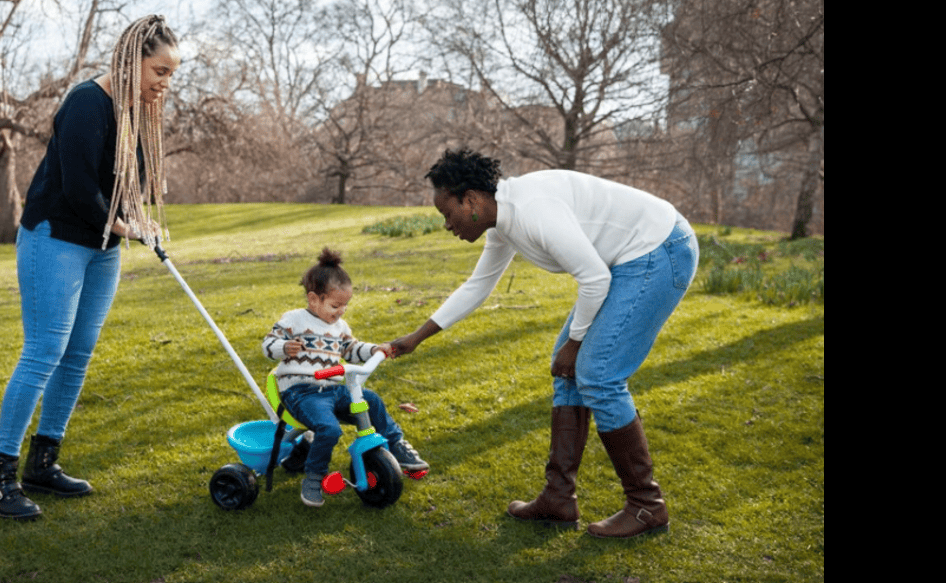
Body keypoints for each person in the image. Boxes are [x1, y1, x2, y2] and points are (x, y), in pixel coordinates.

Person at [388, 148, 699, 538]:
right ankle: (558, 499)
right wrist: (417, 337)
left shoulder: (532, 209)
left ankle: (646, 507)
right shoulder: (503, 221)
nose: (447, 225)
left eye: (446, 213)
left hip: (660, 249)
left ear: (471, 200)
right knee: (567, 371)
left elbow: (594, 280)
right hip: (626, 260)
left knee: (597, 375)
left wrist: (575, 342)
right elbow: (478, 286)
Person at [0, 16, 181, 521]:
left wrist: (140, 218)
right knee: (45, 349)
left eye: (171, 74)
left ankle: (42, 464)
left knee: (77, 353)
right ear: (132, 58)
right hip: (55, 237)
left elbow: (122, 185)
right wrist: (124, 228)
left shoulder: (136, 111)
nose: (165, 82)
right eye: (159, 71)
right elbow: (77, 189)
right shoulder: (87, 103)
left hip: (100, 246)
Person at [263, 248, 429, 507]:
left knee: (371, 401)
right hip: (300, 391)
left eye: (345, 305)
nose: (341, 311)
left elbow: (351, 350)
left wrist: (374, 349)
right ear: (313, 300)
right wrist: (283, 348)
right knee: (329, 429)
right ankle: (314, 477)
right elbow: (268, 344)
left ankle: (396, 445)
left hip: (330, 388)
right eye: (335, 305)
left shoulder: (340, 328)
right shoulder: (293, 320)